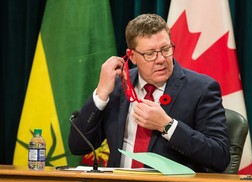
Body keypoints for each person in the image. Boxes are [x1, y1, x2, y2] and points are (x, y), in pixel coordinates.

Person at [68, 13, 230, 173]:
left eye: (166, 49)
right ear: (132, 56)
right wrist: (101, 94)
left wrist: (166, 125)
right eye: (150, 54)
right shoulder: (117, 87)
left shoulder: (202, 89)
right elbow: (78, 146)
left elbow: (220, 157)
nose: (161, 59)